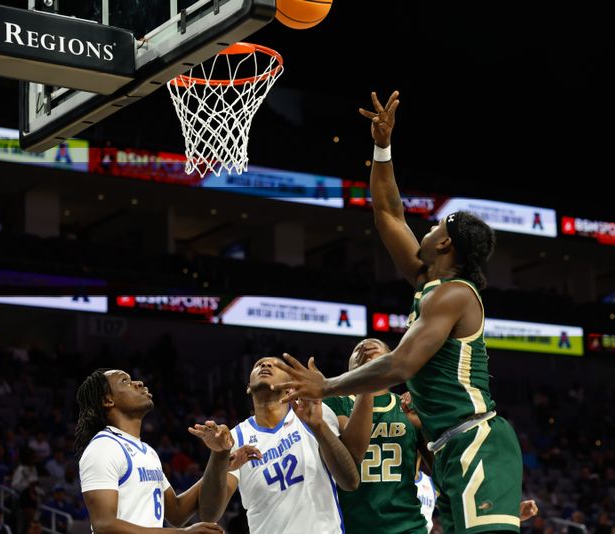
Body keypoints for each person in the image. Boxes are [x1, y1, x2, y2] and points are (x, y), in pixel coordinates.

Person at [272, 90, 533, 533]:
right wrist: (382, 146)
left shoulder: (453, 295)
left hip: (477, 440)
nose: (425, 230)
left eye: (433, 227)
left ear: (446, 244)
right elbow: (389, 212)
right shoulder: (427, 282)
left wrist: (327, 384)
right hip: (449, 449)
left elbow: (400, 363)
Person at [192, 356, 360, 534]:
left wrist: (318, 425)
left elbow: (350, 481)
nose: (265, 364)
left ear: (290, 388)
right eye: (258, 364)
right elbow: (209, 514)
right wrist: (218, 456)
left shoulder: (314, 413)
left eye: (276, 365)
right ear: (249, 387)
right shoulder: (234, 438)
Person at [74, 368, 225, 534]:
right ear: (108, 400)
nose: (139, 383)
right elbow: (104, 525)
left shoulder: (148, 451)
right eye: (125, 381)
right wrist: (183, 533)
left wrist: (219, 458)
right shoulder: (103, 448)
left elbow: (177, 512)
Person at [323, 338, 429, 534]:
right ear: (349, 369)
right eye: (359, 350)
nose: (367, 347)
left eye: (376, 346)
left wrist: (425, 424)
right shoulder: (334, 404)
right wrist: (366, 381)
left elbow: (437, 469)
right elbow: (352, 451)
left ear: (391, 361)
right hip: (353, 526)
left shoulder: (407, 407)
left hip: (408, 526)